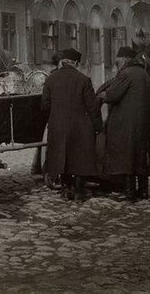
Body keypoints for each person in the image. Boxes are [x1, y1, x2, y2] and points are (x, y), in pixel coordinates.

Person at [41, 48, 103, 202]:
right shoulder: (84, 80)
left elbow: (44, 106)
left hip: (58, 127)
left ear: (63, 62)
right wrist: (97, 126)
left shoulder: (50, 79)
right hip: (80, 127)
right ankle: (79, 191)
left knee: (62, 157)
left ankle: (66, 189)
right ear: (75, 63)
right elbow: (93, 107)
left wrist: (54, 118)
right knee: (80, 158)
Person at [98, 46, 150, 201]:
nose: (117, 64)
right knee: (140, 155)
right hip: (142, 123)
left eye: (118, 61)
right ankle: (143, 190)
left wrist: (103, 94)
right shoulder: (144, 74)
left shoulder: (125, 74)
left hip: (125, 123)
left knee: (126, 155)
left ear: (124, 60)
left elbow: (113, 95)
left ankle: (128, 191)